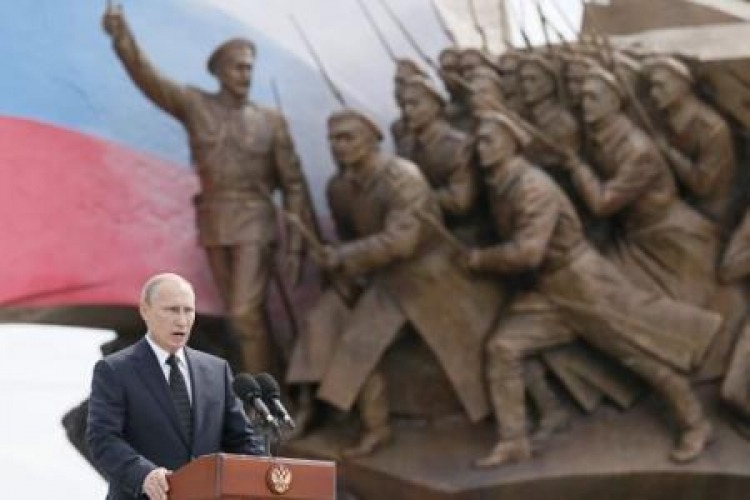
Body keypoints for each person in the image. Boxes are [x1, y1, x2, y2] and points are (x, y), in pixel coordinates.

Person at [468, 111, 718, 467]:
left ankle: (695, 424)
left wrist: (481, 259)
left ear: (512, 144)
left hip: (584, 284)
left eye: (490, 139)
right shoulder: (500, 183)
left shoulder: (532, 187)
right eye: (479, 139)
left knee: (637, 353)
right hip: (551, 289)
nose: (482, 147)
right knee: (503, 348)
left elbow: (528, 252)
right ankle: (514, 439)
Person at [102, 4, 315, 373]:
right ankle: (271, 392)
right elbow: (148, 78)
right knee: (240, 319)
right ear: (219, 71)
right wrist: (122, 37)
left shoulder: (270, 121)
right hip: (215, 221)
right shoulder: (195, 104)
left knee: (244, 313)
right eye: (238, 67)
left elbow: (293, 184)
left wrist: (297, 246)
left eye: (249, 67)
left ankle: (268, 403)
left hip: (255, 222)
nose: (245, 74)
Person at [287, 109, 503, 457]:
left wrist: (344, 255)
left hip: (426, 274)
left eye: (347, 137)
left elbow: (402, 241)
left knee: (360, 338)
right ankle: (309, 406)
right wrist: (340, 265)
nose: (338, 146)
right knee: (321, 321)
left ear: (372, 140)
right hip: (380, 273)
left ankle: (376, 427)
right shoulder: (338, 187)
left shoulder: (403, 177)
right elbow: (350, 237)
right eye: (333, 139)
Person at [87, 273, 265, 500]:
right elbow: (103, 439)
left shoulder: (217, 370)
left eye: (188, 310)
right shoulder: (115, 370)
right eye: (171, 310)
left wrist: (266, 473)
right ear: (145, 311)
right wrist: (144, 475)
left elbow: (241, 440)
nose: (181, 320)